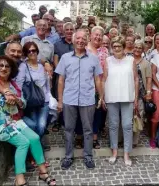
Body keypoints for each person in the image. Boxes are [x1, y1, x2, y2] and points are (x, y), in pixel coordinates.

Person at [0, 55, 56, 186]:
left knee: (34, 138)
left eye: (7, 66)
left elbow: (23, 103)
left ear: (11, 70)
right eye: (1, 65)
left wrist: (16, 100)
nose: (4, 68)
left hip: (15, 121)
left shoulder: (12, 85)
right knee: (23, 143)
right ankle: (19, 178)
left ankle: (43, 172)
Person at [55, 29, 104, 170]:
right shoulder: (65, 58)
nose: (81, 41)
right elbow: (60, 80)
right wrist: (60, 100)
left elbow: (97, 80)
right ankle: (68, 157)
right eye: (78, 38)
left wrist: (101, 97)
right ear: (74, 40)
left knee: (88, 130)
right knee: (69, 129)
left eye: (84, 38)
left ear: (87, 40)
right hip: (69, 99)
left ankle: (88, 156)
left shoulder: (94, 58)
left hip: (88, 99)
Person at [102, 36, 139, 166]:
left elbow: (135, 79)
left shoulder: (131, 60)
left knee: (127, 126)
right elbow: (104, 79)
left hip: (128, 97)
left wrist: (136, 98)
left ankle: (127, 154)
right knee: (113, 125)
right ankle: (114, 152)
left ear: (124, 47)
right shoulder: (108, 60)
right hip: (112, 97)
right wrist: (102, 97)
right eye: (114, 46)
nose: (116, 48)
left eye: (119, 46)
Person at [15, 42, 51, 150]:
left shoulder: (42, 66)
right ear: (26, 53)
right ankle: (37, 149)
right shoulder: (23, 66)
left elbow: (47, 84)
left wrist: (50, 97)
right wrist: (20, 100)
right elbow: (19, 85)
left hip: (44, 101)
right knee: (34, 125)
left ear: (37, 51)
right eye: (29, 51)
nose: (32, 53)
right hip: (31, 101)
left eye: (34, 50)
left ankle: (36, 146)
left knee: (42, 125)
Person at [50, 22, 75, 132]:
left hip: (74, 77)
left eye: (71, 29)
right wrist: (63, 73)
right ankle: (57, 122)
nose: (69, 31)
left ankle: (68, 121)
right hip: (61, 75)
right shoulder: (57, 44)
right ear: (63, 31)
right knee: (59, 97)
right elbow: (56, 61)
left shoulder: (77, 43)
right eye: (67, 29)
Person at [132, 40, 152, 147]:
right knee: (127, 116)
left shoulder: (146, 63)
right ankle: (125, 138)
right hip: (128, 92)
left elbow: (149, 79)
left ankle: (135, 140)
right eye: (136, 47)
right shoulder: (128, 60)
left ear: (143, 49)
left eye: (140, 48)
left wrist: (148, 92)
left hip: (141, 93)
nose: (137, 49)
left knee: (138, 115)